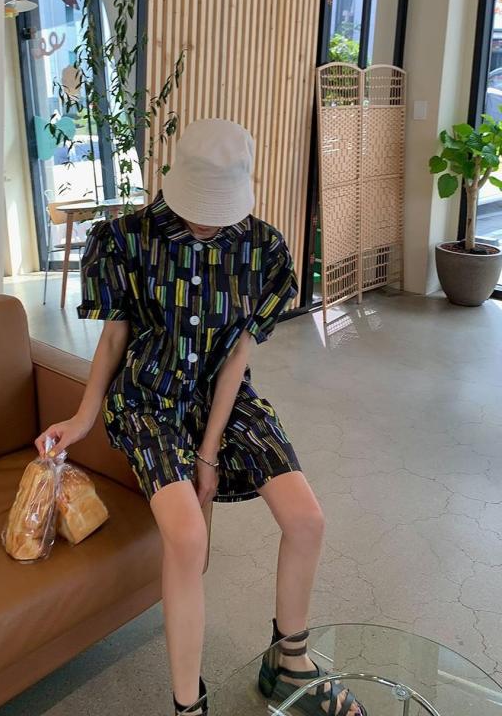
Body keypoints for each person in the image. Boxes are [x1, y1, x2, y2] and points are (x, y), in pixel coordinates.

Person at [35, 119, 367, 716]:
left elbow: (238, 356)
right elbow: (114, 340)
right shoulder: (126, 239)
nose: (207, 222)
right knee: (188, 539)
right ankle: (189, 706)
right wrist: (84, 418)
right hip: (149, 400)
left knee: (307, 520)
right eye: (198, 206)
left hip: (225, 395)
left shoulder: (262, 249)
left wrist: (208, 454)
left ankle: (288, 663)